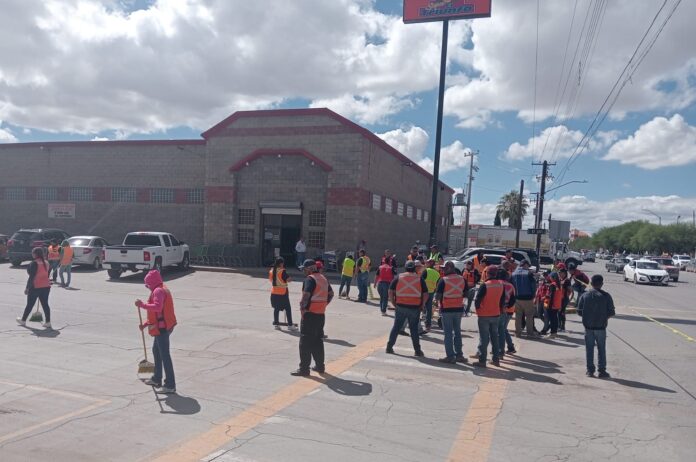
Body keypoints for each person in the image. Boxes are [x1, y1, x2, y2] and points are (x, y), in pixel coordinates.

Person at [136, 270, 177, 394]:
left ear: (152, 283)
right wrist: (145, 324)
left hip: (162, 329)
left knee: (164, 355)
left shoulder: (158, 291)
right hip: (163, 326)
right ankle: (156, 378)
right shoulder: (161, 288)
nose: (147, 287)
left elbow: (157, 307)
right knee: (156, 351)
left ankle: (170, 385)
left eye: (147, 284)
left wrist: (142, 305)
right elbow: (157, 314)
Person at [291, 259, 334, 376]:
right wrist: (324, 304)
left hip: (310, 315)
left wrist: (303, 310)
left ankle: (304, 369)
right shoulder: (323, 278)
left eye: (304, 269)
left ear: (310, 269)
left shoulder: (310, 279)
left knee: (305, 343)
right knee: (317, 341)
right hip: (320, 315)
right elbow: (331, 294)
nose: (303, 271)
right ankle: (320, 366)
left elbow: (306, 296)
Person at [386, 260, 427, 357]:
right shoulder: (419, 279)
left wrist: (393, 303)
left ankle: (389, 347)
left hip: (400, 306)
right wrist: (422, 305)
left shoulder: (399, 277)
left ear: (405, 267)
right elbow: (425, 294)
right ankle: (417, 351)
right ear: (414, 268)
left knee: (396, 327)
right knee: (414, 330)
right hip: (414, 308)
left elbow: (390, 291)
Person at [578, 275, 615, 378]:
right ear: (602, 284)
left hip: (588, 328)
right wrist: (604, 318)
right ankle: (602, 370)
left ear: (591, 283)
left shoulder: (585, 295)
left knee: (589, 349)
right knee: (601, 349)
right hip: (601, 328)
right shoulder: (606, 296)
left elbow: (579, 312)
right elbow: (611, 312)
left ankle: (590, 370)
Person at [471, 265, 505, 367]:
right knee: (494, 337)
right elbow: (502, 301)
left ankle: (482, 361)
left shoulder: (485, 285)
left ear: (487, 274)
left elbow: (478, 300)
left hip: (484, 315)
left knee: (484, 338)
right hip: (496, 315)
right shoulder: (500, 285)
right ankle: (496, 359)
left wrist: (478, 310)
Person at [436, 262, 467, 364]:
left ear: (449, 268)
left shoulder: (443, 280)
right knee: (457, 332)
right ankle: (459, 355)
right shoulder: (462, 279)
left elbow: (438, 296)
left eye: (444, 268)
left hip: (447, 309)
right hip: (458, 309)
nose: (443, 270)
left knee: (448, 334)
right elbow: (466, 293)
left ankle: (450, 356)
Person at [16, 247, 53, 329]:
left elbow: (31, 277)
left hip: (35, 286)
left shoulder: (34, 263)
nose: (32, 254)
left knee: (30, 304)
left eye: (33, 253)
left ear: (35, 254)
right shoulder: (46, 262)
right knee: (45, 304)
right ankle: (48, 322)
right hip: (46, 286)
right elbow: (47, 274)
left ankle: (23, 320)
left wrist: (27, 288)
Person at [269, 257, 297, 331]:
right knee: (288, 308)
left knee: (276, 309)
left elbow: (271, 280)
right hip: (282, 293)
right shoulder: (282, 271)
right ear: (281, 264)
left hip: (274, 292)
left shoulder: (272, 271)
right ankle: (290, 325)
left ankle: (276, 325)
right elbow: (288, 279)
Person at [512, 260, 538, 336]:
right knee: (529, 316)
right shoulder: (529, 274)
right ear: (525, 265)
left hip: (517, 298)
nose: (528, 267)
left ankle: (518, 333)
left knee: (518, 316)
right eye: (528, 266)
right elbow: (534, 286)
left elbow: (512, 285)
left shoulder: (513, 274)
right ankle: (529, 333)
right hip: (528, 298)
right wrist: (533, 295)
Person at [497, 269, 517, 357]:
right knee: (503, 329)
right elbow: (513, 299)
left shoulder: (498, 283)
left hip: (500, 310)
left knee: (501, 330)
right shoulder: (511, 286)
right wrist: (507, 307)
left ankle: (507, 347)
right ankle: (510, 347)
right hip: (509, 310)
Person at [422, 259, 440, 332]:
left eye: (427, 263)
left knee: (419, 307)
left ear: (429, 264)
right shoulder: (437, 273)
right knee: (429, 309)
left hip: (424, 292)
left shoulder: (426, 271)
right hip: (431, 292)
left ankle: (416, 324)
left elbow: (421, 280)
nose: (425, 264)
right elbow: (438, 284)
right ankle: (428, 326)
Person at [544, 272, 564, 337]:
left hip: (551, 305)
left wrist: (548, 305)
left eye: (550, 277)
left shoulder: (552, 285)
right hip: (557, 305)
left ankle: (552, 333)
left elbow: (551, 296)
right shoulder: (559, 285)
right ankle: (554, 332)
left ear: (552, 277)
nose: (549, 278)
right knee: (555, 319)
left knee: (552, 319)